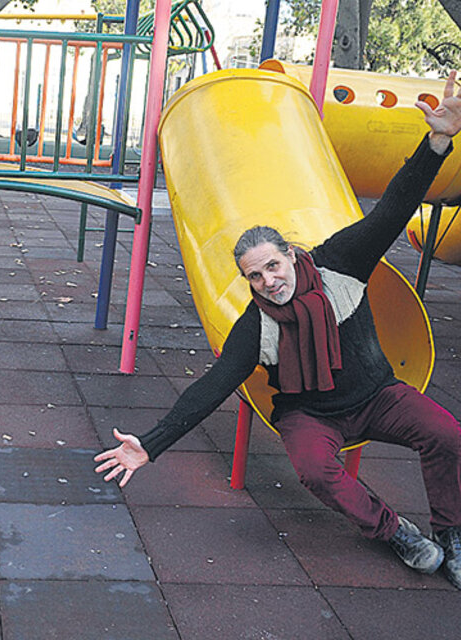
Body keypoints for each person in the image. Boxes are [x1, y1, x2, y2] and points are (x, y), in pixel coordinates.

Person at [96, 70, 461, 589]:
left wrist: (437, 143)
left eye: (273, 267)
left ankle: (451, 533)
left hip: (378, 394)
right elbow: (212, 387)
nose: (269, 282)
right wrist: (150, 445)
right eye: (254, 276)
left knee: (448, 434)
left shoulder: (342, 264)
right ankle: (395, 531)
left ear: (291, 255)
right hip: (311, 413)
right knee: (314, 470)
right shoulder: (256, 325)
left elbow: (395, 208)